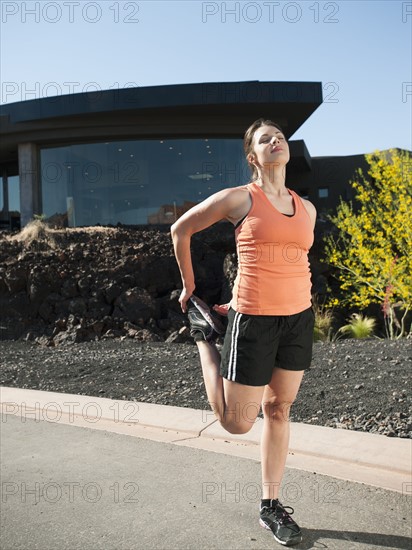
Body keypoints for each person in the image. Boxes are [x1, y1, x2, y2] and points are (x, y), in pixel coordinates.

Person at [171, 118, 316, 547]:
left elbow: (288, 261)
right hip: (252, 321)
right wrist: (189, 286)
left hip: (298, 320)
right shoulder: (239, 199)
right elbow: (181, 229)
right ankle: (204, 338)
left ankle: (270, 506)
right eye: (265, 139)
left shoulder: (306, 207)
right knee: (237, 423)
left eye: (281, 137)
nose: (276, 141)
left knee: (279, 410)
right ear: (253, 156)